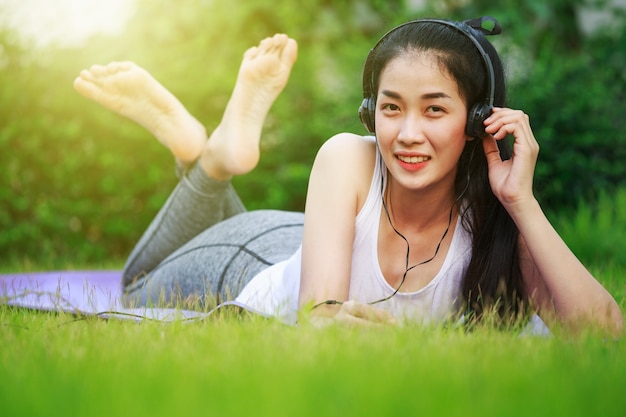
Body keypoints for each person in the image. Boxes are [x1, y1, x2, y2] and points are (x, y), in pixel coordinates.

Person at [73, 21, 623, 335]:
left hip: (313, 239)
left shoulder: (497, 218)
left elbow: (603, 337)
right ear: (369, 112)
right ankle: (211, 162)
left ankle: (205, 157)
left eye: (435, 110)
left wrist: (520, 201)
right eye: (391, 108)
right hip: (250, 259)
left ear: (478, 120)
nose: (407, 133)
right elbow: (322, 322)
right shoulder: (347, 156)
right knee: (139, 283)